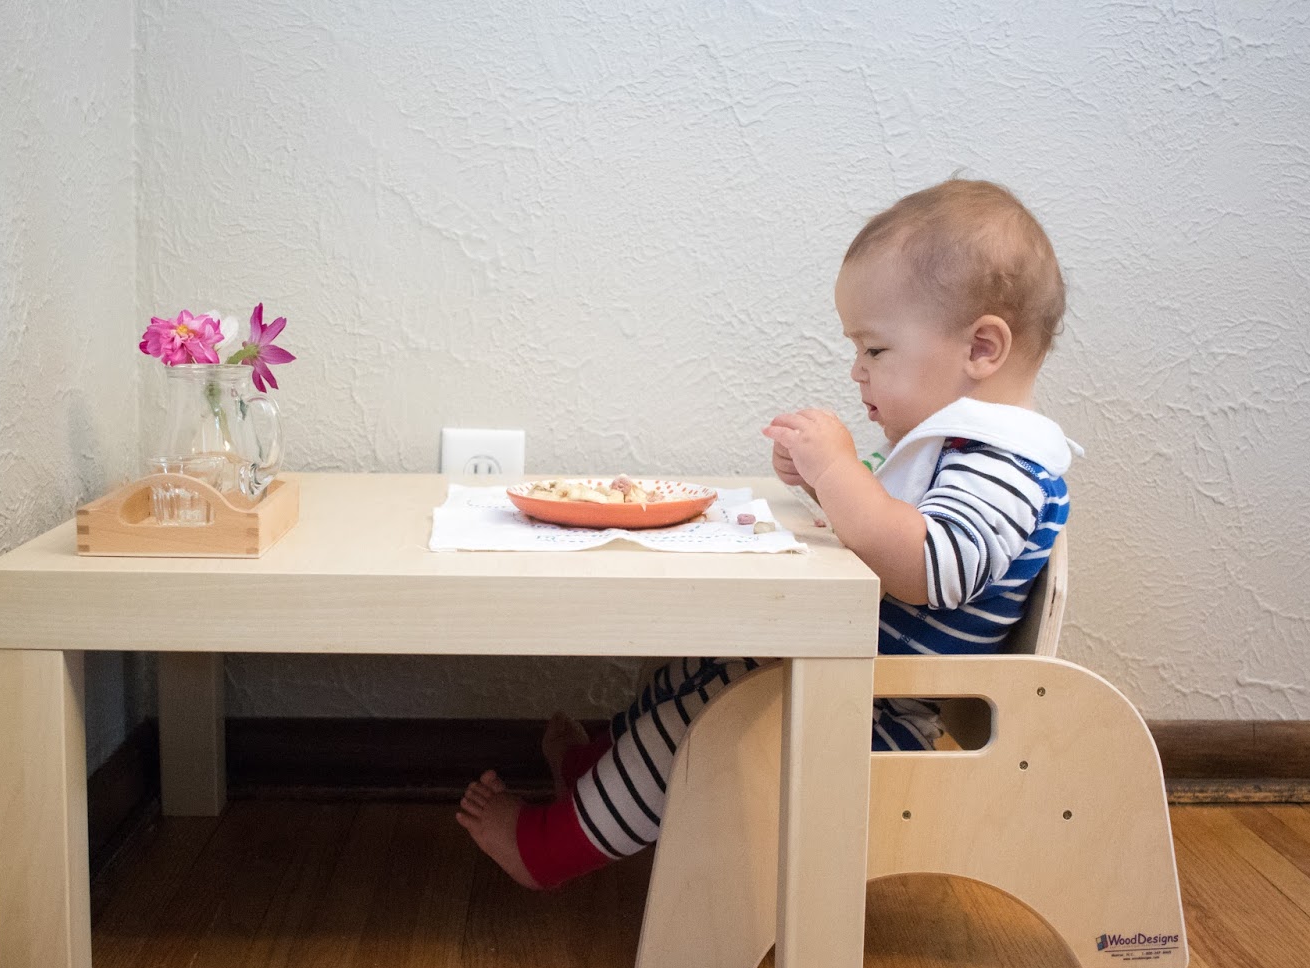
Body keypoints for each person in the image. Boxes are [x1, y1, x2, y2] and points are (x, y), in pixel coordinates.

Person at [459, 178, 1078, 889]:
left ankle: (548, 850)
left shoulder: (1003, 465)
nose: (857, 371)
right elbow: (887, 521)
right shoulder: (954, 449)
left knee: (700, 724)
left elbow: (928, 563)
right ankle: (595, 772)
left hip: (877, 713)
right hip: (847, 679)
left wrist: (842, 469)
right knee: (700, 674)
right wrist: (822, 482)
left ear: (982, 347)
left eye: (875, 350)